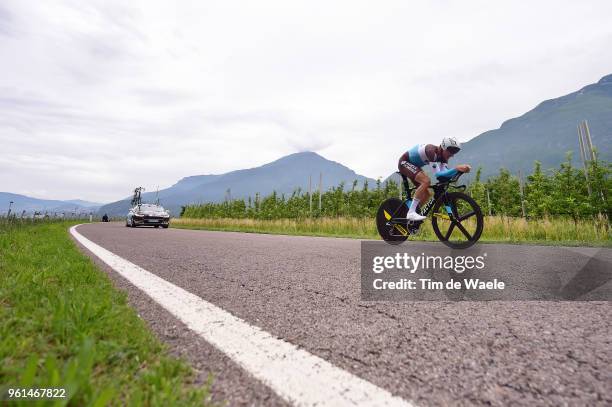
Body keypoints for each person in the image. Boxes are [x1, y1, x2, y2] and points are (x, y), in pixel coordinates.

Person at [398, 137, 471, 221]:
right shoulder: (432, 152)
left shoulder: (443, 158)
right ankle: (411, 213)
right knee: (426, 181)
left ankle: (411, 218)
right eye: (451, 151)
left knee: (427, 194)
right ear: (443, 147)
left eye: (455, 151)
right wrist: (456, 169)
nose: (452, 154)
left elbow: (444, 176)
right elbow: (439, 175)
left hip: (414, 166)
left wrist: (460, 171)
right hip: (404, 162)